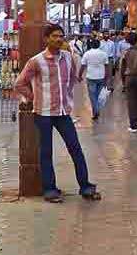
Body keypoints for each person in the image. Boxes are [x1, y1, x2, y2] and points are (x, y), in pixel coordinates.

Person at [14, 24, 100, 203]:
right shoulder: (36, 61)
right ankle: (50, 190)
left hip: (63, 113)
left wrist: (67, 99)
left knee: (75, 148)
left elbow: (72, 81)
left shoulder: (69, 58)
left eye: (61, 36)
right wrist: (34, 98)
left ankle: (85, 187)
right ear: (46, 39)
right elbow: (20, 84)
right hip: (43, 113)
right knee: (46, 152)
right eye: (54, 36)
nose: (59, 39)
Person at [78, 39, 110, 121]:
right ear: (99, 45)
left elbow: (83, 65)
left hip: (91, 77)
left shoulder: (87, 54)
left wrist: (79, 75)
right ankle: (96, 111)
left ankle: (95, 111)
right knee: (98, 96)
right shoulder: (103, 54)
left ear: (91, 45)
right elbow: (107, 66)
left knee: (93, 96)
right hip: (101, 77)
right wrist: (107, 77)